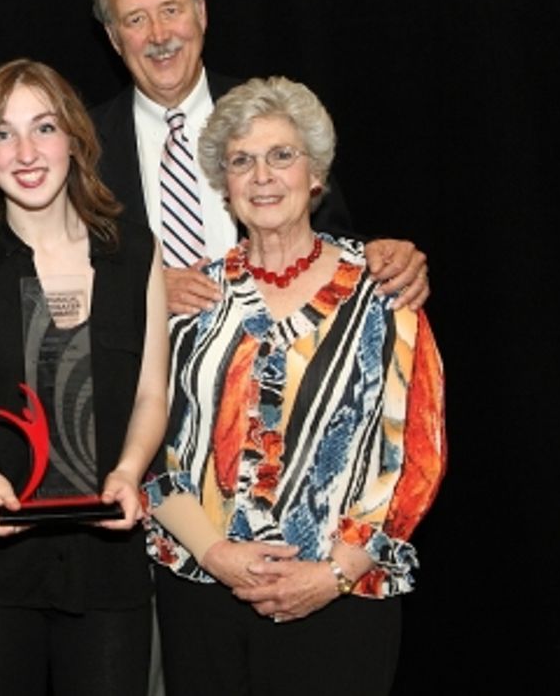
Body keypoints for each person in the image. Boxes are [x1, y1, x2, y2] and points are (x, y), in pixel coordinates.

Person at [144, 76, 446, 696]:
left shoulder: (384, 292)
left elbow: (418, 453)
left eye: (282, 156)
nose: (262, 176)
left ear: (316, 175)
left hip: (341, 599)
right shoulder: (186, 300)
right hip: (204, 593)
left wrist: (334, 572)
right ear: (223, 184)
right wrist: (213, 554)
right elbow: (151, 447)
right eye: (241, 161)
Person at [0, 59, 170, 696]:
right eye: (3, 135)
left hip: (107, 556)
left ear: (76, 140)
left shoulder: (135, 254)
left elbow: (151, 393)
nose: (26, 153)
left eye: (44, 128)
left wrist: (128, 471)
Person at [90, 0, 429, 316]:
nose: (158, 35)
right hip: (141, 369)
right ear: (113, 37)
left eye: (171, 10)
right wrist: (146, 291)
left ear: (201, 13)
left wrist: (384, 256)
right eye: (136, 19)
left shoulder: (278, 116)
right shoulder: (82, 147)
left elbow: (330, 236)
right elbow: (55, 283)